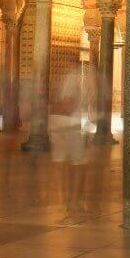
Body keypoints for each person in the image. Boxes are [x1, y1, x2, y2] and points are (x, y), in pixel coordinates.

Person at [49, 66, 87, 222]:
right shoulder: (73, 80)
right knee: (76, 164)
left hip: (63, 126)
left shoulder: (72, 79)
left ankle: (66, 200)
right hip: (67, 126)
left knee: (67, 163)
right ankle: (68, 201)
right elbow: (67, 103)